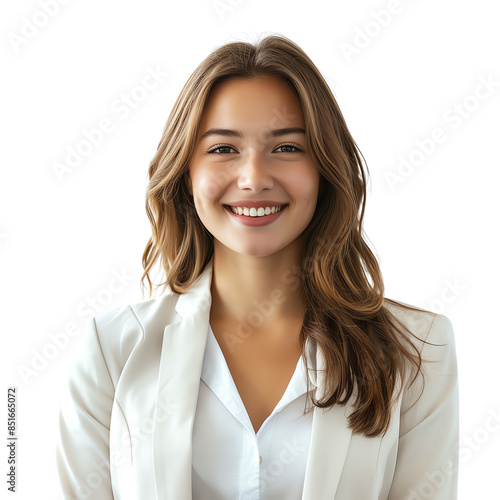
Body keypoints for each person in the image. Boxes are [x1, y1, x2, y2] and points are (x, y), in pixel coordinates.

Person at [56, 34, 459, 500]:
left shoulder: (418, 349)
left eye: (286, 148)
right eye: (223, 149)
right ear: (186, 174)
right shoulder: (111, 351)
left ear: (325, 169)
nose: (253, 178)